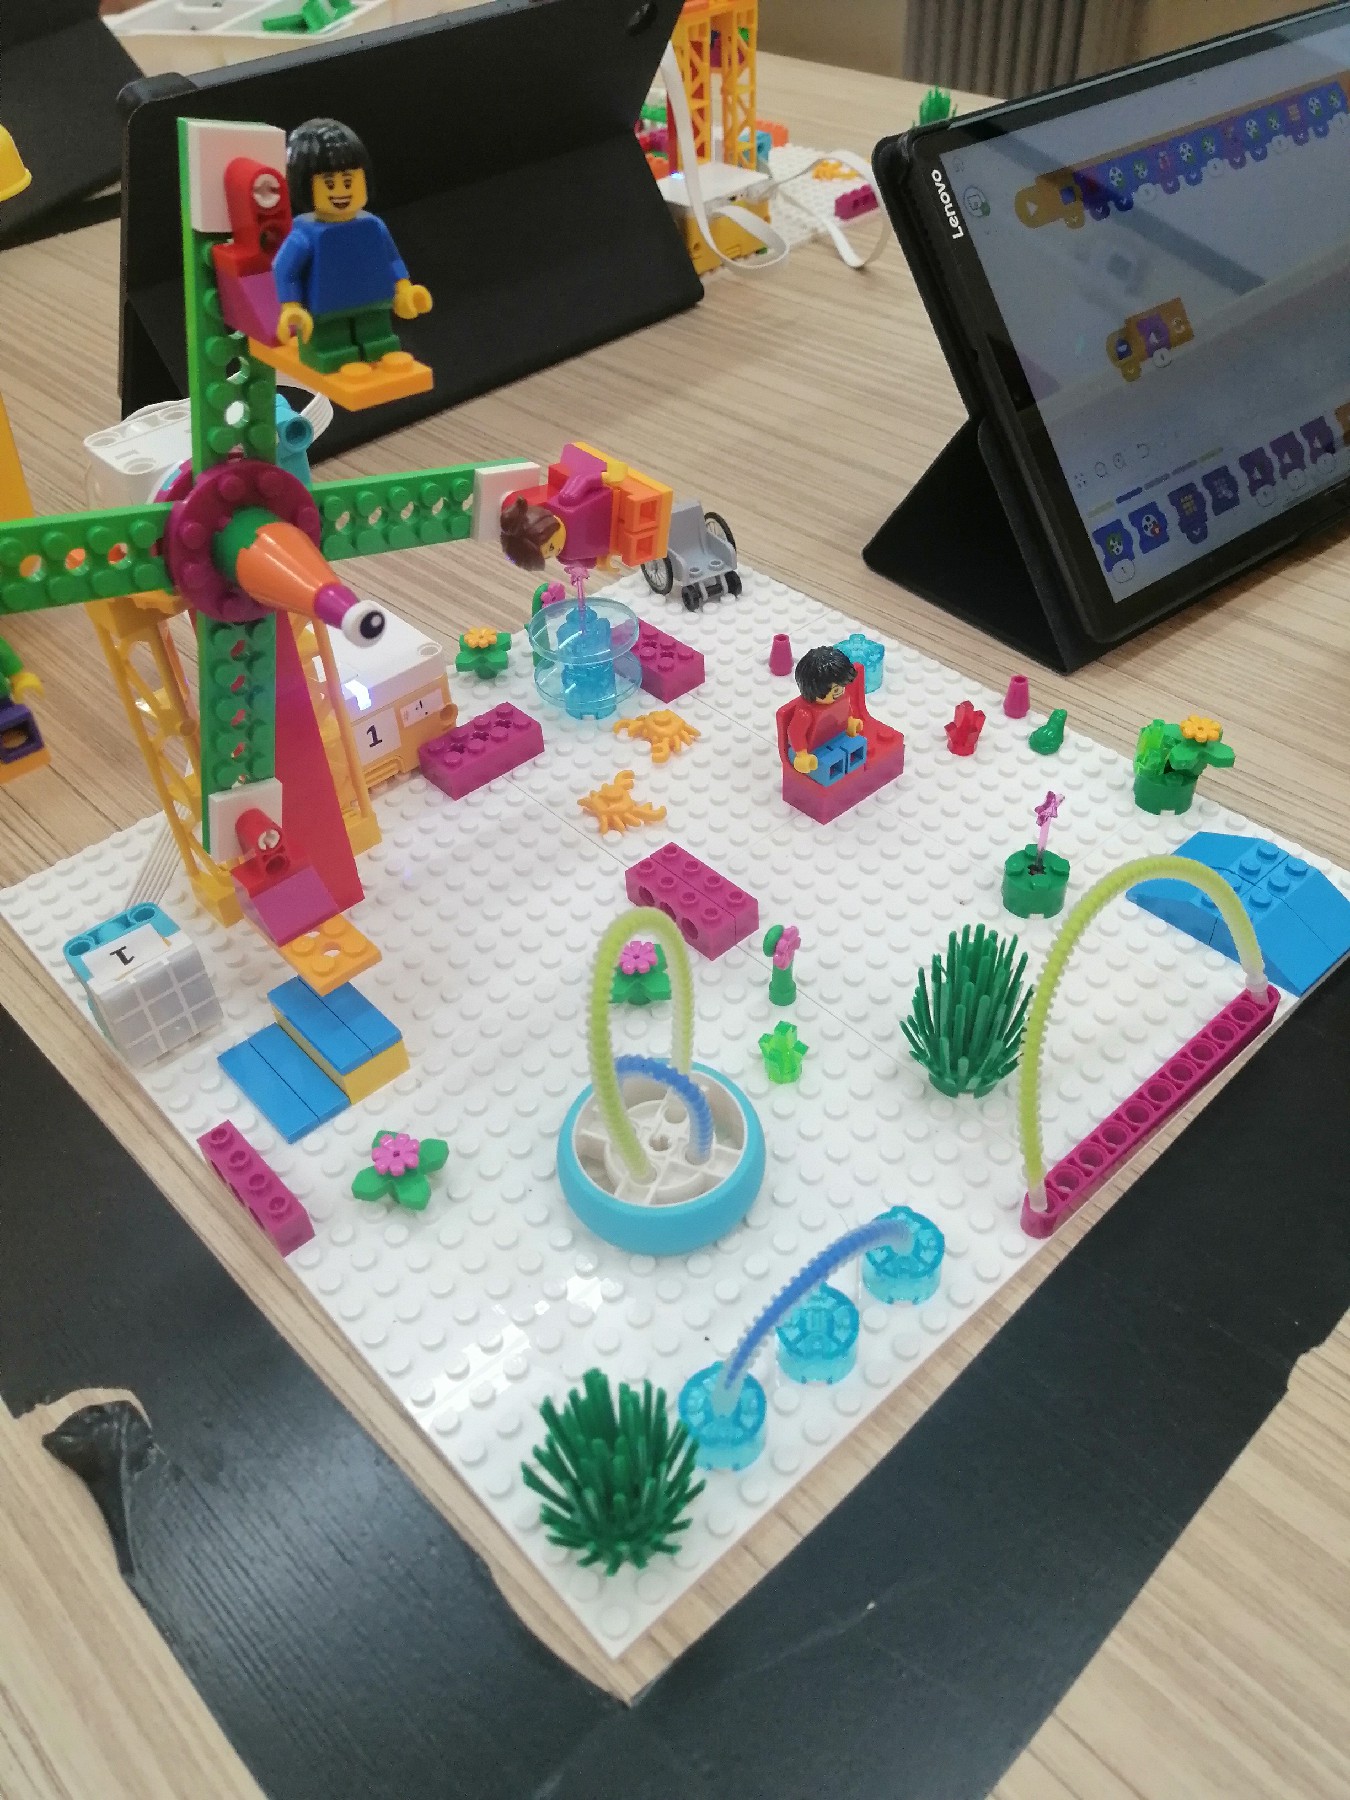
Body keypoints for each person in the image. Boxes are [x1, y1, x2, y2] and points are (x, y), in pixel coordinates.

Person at [273, 118, 431, 374]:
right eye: (329, 183)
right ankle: (333, 351)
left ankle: (377, 346)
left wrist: (404, 289)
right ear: (303, 185)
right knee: (331, 344)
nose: (341, 191)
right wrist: (291, 306)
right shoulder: (305, 235)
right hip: (325, 314)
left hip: (375, 304)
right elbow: (285, 269)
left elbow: (392, 260)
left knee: (378, 338)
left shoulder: (373, 225)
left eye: (348, 182)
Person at [781, 645, 863, 774]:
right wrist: (801, 754)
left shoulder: (841, 698)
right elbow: (795, 733)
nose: (840, 692)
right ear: (816, 689)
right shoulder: (805, 713)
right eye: (835, 690)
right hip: (813, 752)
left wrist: (850, 722)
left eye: (842, 686)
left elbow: (845, 711)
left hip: (837, 737)